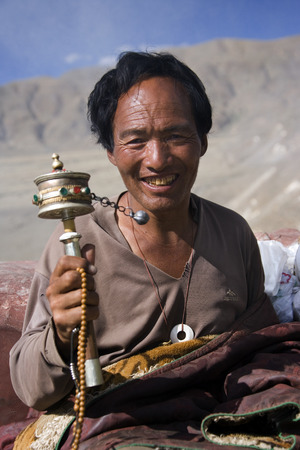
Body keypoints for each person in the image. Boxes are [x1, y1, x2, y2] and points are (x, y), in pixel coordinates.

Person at [10, 51, 278, 412]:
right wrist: (61, 333)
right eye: (135, 140)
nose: (156, 159)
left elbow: (262, 344)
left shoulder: (232, 233)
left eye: (176, 135)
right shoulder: (77, 247)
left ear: (203, 140)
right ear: (111, 152)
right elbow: (31, 390)